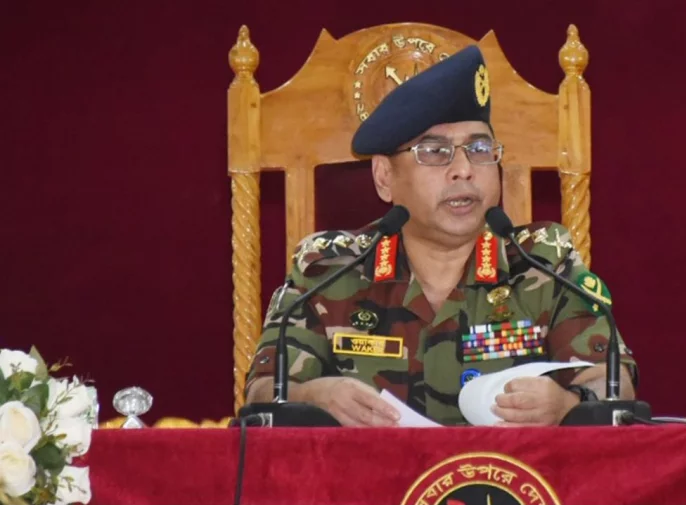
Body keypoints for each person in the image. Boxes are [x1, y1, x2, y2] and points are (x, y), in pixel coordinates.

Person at [244, 45, 639, 427]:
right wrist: (314, 396)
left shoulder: (542, 263)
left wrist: (568, 405)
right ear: (384, 177)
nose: (464, 169)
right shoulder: (329, 270)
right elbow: (262, 392)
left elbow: (613, 381)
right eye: (434, 152)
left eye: (479, 148)